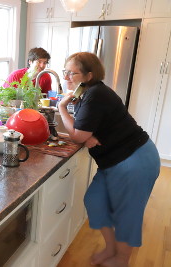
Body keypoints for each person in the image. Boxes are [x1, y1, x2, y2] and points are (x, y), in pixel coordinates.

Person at [58, 52, 160, 267]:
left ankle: (122, 260)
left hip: (134, 160)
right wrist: (86, 135)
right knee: (95, 201)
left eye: (71, 73)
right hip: (114, 160)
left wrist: (62, 108)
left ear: (88, 75)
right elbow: (85, 130)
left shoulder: (95, 94)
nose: (66, 77)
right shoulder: (87, 92)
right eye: (64, 71)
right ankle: (111, 250)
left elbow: (78, 134)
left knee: (126, 214)